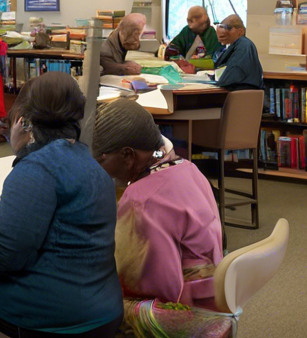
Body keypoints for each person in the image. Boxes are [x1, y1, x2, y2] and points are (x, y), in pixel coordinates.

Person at [0, 73, 124, 338]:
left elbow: (5, 254)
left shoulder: (36, 169)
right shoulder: (91, 165)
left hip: (58, 319)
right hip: (102, 312)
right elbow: (62, 232)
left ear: (23, 122)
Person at [92, 98, 222, 309]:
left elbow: (153, 287)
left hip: (184, 315)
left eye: (100, 160)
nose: (97, 168)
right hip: (214, 299)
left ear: (127, 155)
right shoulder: (188, 168)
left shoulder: (140, 200)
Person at [213, 14, 263, 91]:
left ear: (241, 31)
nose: (223, 32)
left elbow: (231, 78)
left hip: (239, 95)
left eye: (229, 28)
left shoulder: (244, 44)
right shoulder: (232, 47)